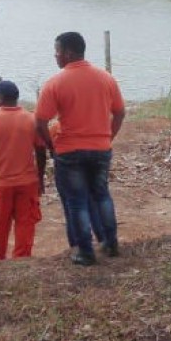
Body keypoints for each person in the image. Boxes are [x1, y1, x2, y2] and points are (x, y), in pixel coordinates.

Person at [35, 32, 126, 265]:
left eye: (57, 51)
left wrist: (50, 146)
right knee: (102, 195)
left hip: (70, 151)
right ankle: (111, 243)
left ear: (68, 53)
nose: (55, 56)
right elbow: (120, 112)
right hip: (100, 148)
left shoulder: (55, 82)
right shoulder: (106, 78)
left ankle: (85, 251)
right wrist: (108, 136)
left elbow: (40, 121)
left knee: (76, 201)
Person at [0, 80, 47, 260]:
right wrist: (40, 178)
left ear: (0, 98)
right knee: (25, 226)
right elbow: (40, 151)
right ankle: (22, 262)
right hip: (28, 182)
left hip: (0, 184)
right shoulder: (31, 119)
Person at [49, 120, 105, 250]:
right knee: (93, 205)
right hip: (88, 166)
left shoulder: (55, 128)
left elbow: (51, 151)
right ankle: (103, 239)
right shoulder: (89, 124)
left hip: (65, 169)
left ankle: (77, 246)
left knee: (71, 207)